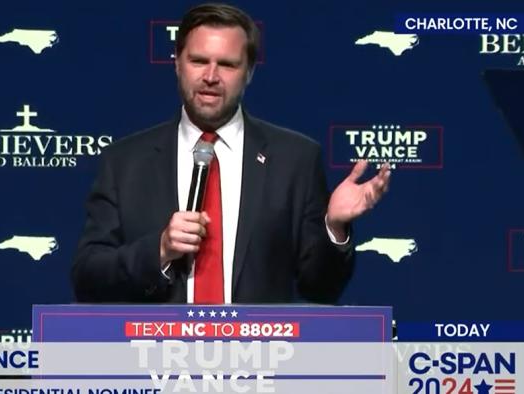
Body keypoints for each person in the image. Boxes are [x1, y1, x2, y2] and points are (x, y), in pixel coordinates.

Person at [71, 3, 390, 304]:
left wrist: (333, 229)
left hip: (262, 358)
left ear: (249, 71)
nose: (211, 76)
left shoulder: (295, 160)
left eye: (227, 64)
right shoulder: (125, 161)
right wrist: (160, 250)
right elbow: (87, 277)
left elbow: (321, 288)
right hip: (153, 357)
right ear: (177, 65)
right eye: (198, 61)